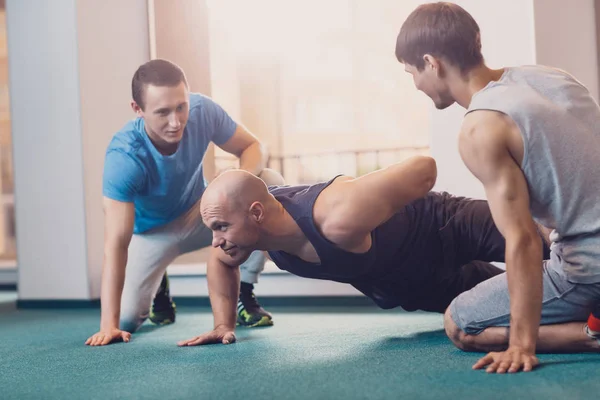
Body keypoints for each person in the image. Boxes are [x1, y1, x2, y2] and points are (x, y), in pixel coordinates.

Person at [396, 2, 600, 373]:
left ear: (432, 62)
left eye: (412, 72)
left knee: (459, 322)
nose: (416, 84)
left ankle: (592, 332)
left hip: (590, 268)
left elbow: (520, 238)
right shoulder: (551, 78)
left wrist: (521, 343)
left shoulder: (480, 127)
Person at [175, 159, 549, 347]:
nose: (217, 241)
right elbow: (221, 263)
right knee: (539, 300)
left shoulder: (335, 213)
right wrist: (224, 324)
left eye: (221, 228)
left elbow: (423, 168)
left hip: (443, 225)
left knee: (547, 242)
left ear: (256, 214)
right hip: (420, 284)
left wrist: (365, 195)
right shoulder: (248, 238)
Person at [85, 59, 280, 347]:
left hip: (198, 213)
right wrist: (108, 326)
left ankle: (243, 294)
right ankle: (158, 284)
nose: (176, 122)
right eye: (162, 112)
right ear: (137, 110)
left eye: (181, 107)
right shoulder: (124, 157)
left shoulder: (203, 111)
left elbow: (253, 146)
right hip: (151, 234)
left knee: (270, 181)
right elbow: (116, 244)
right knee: (125, 320)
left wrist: (236, 188)